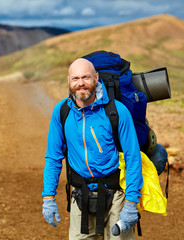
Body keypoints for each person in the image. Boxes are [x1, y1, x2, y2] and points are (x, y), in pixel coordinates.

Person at [42, 58, 143, 239]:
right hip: (80, 195)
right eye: (75, 78)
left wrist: (131, 204)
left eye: (86, 77)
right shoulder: (61, 111)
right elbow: (53, 158)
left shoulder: (117, 111)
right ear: (68, 81)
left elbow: (133, 157)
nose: (81, 83)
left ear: (96, 78)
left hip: (117, 196)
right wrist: (48, 198)